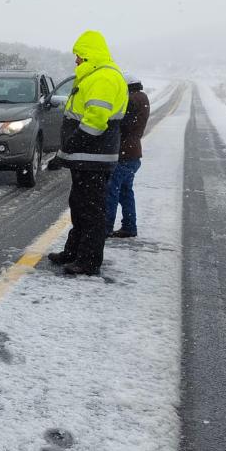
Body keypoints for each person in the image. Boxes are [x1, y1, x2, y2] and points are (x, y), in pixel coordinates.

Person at [46, 30, 128, 276]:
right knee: (79, 206)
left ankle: (89, 261)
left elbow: (96, 121)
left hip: (94, 157)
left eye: (78, 56)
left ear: (89, 55)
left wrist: (70, 145)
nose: (76, 61)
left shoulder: (104, 78)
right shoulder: (93, 76)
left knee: (91, 210)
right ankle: (74, 252)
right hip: (85, 158)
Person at [105, 74, 150, 238]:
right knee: (125, 192)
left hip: (123, 153)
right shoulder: (142, 97)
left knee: (112, 191)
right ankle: (129, 226)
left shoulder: (131, 100)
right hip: (133, 153)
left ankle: (106, 227)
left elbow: (121, 123)